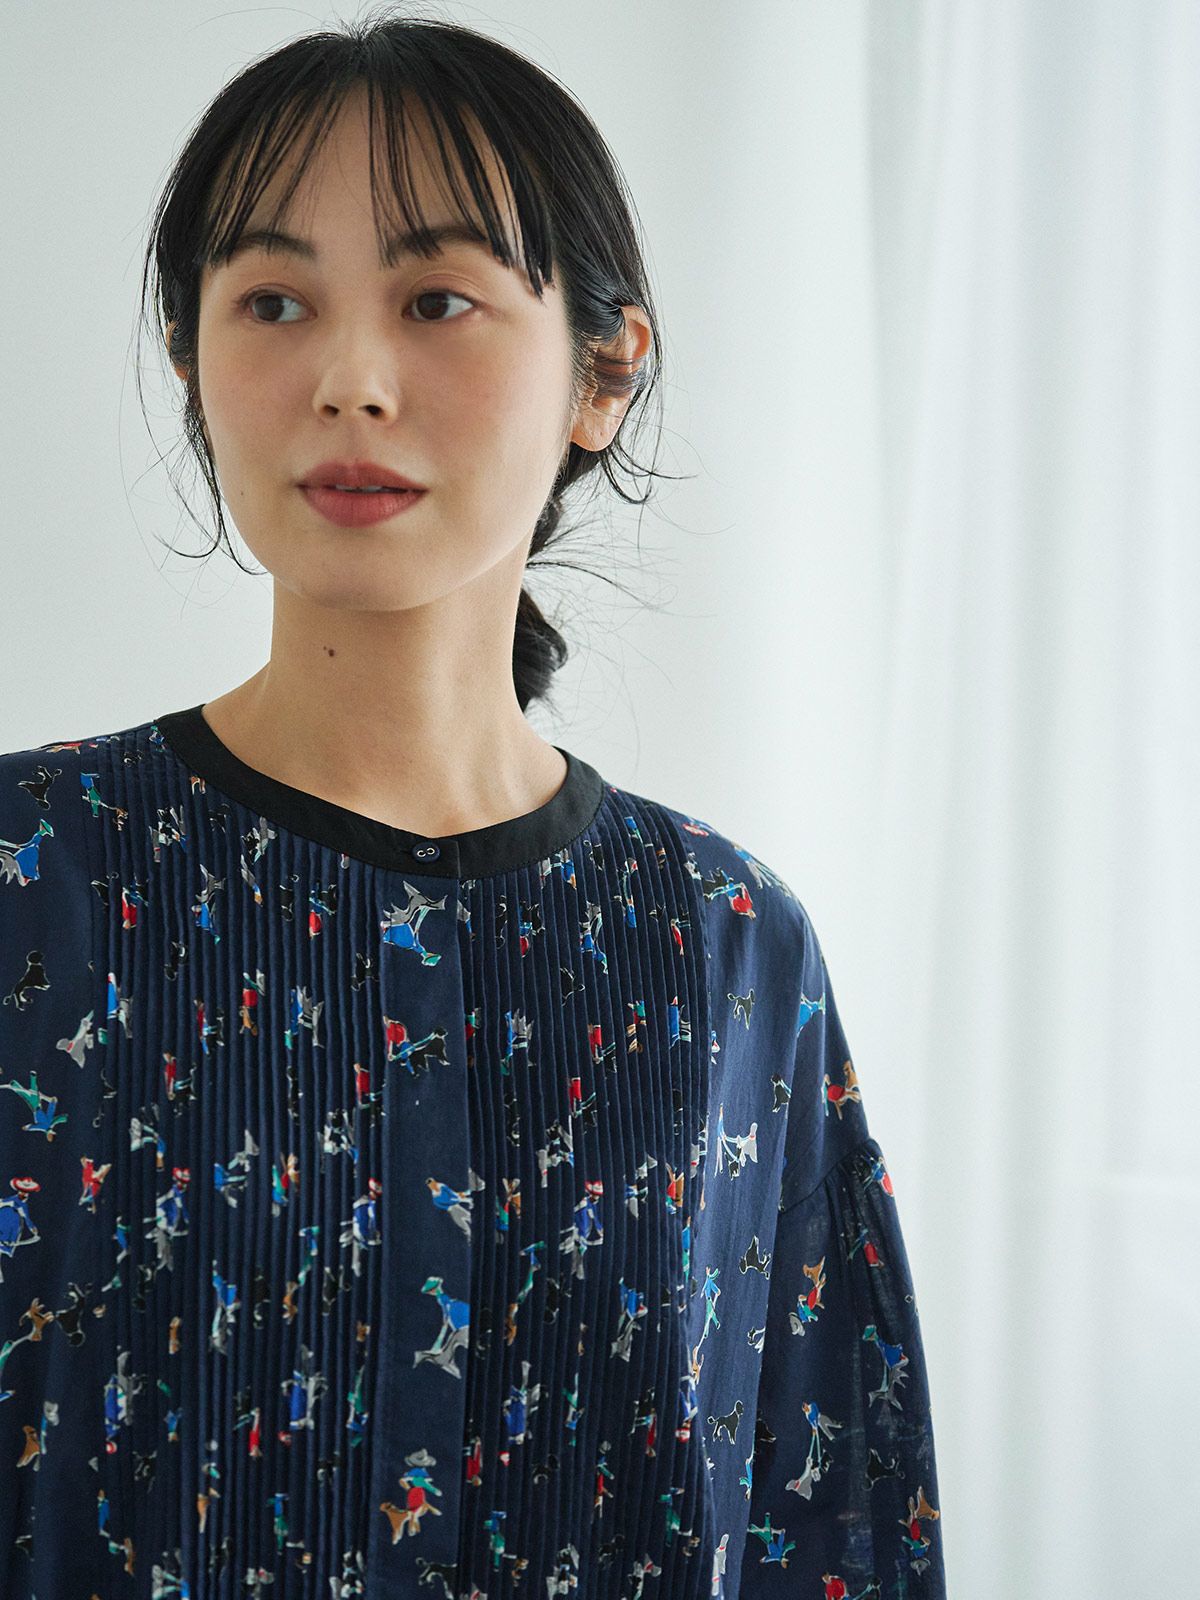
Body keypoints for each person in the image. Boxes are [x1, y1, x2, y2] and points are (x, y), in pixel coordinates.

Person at [0, 12, 946, 1597]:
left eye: (437, 299)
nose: (350, 382)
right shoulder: (34, 873)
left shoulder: (725, 943)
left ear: (604, 371)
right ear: (191, 363)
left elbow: (829, 1509)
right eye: (273, 302)